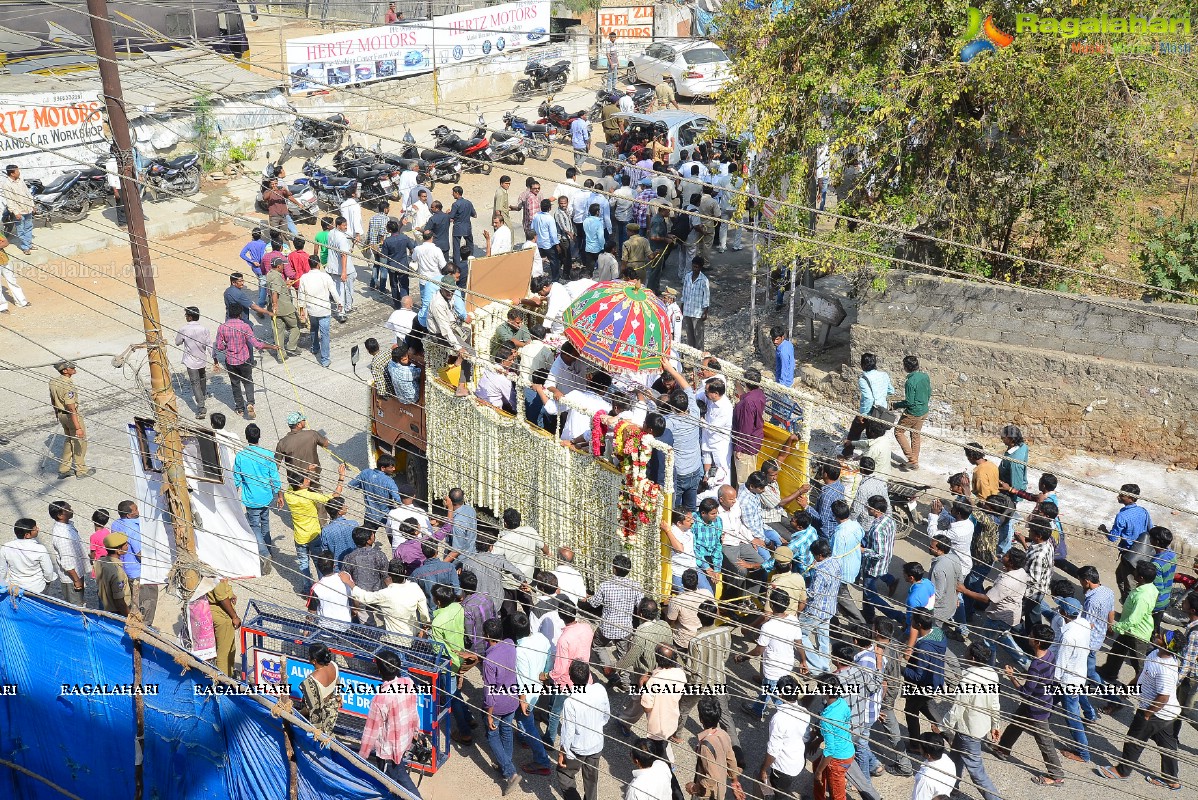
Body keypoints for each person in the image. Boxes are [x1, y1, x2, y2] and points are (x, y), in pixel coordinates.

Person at [994, 623, 1066, 785]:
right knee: (1016, 723)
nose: (1029, 637)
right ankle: (1003, 748)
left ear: (1038, 642)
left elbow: (1026, 692)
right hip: (1043, 700)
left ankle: (1056, 775)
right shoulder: (1049, 655)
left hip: (1036, 708)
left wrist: (1011, 676)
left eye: (1031, 636)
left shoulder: (1036, 665)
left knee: (1044, 741)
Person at [359, 649, 423, 798]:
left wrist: (362, 758)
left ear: (380, 671)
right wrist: (415, 732)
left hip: (389, 751)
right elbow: (414, 712)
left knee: (391, 784)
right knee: (400, 776)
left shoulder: (380, 698)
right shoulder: (408, 683)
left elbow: (370, 732)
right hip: (404, 743)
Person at [942, 641, 1002, 800]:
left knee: (977, 772)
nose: (964, 654)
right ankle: (952, 790)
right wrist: (995, 724)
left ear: (973, 658)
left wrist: (942, 726)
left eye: (967, 652)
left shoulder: (968, 679)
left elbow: (957, 708)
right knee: (954, 759)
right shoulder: (992, 674)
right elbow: (995, 703)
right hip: (981, 727)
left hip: (968, 731)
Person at [957, 547, 1030, 669]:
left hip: (999, 618)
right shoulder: (1020, 571)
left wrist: (964, 590)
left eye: (1006, 556)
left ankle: (988, 669)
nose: (1003, 556)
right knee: (1004, 639)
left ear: (1011, 563)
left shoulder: (1007, 581)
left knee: (988, 643)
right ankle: (1028, 664)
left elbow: (987, 599)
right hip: (1010, 615)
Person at [479, 617, 522, 795]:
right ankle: (505, 762)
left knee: (492, 734)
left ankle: (510, 772)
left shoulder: (489, 661)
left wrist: (489, 714)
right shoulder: (511, 644)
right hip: (512, 698)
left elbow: (489, 691)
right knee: (506, 730)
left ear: (487, 635)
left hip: (497, 704)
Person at [1099, 559, 1158, 685]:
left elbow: (1133, 620)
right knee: (1117, 651)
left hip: (1137, 634)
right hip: (1128, 629)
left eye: (1135, 572)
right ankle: (1109, 672)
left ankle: (1145, 686)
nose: (1133, 572)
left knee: (1138, 662)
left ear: (1141, 577)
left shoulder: (1143, 597)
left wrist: (1115, 627)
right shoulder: (1148, 587)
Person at [556, 659, 609, 800]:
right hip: (596, 744)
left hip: (578, 747)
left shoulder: (571, 701)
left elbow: (568, 731)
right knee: (591, 780)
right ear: (589, 674)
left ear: (571, 678)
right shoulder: (599, 689)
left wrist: (562, 752)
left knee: (564, 774)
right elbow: (606, 716)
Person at [284, 463, 347, 580]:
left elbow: (291, 484)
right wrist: (341, 478)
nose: (308, 480)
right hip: (314, 535)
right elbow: (334, 496)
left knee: (303, 564)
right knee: (320, 563)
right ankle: (323, 584)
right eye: (306, 480)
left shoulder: (288, 495)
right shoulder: (309, 496)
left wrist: (306, 471)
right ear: (300, 484)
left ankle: (307, 587)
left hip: (299, 537)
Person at [214, 306, 277, 419]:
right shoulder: (244, 326)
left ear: (228, 315)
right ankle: (250, 403)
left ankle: (240, 408)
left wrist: (227, 346)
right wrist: (272, 347)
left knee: (235, 384)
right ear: (240, 315)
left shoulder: (222, 327)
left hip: (231, 361)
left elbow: (219, 346)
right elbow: (256, 344)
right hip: (244, 359)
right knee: (248, 382)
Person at [1099, 483, 1154, 600]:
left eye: (1122, 495)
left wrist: (1104, 530)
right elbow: (1151, 529)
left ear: (1130, 498)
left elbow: (1113, 538)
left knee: (1129, 584)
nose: (1118, 496)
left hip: (1129, 555)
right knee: (1120, 577)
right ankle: (1125, 600)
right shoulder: (1143, 511)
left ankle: (1128, 607)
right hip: (1144, 553)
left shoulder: (1122, 516)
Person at [902, 610, 947, 743]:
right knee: (924, 705)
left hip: (922, 685)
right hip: (935, 679)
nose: (911, 622)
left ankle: (915, 744)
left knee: (910, 711)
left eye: (913, 620)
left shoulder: (923, 648)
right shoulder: (939, 633)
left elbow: (917, 676)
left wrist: (901, 669)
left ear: (919, 625)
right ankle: (947, 732)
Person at [688, 696, 742, 800]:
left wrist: (694, 787)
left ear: (700, 719)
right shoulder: (723, 734)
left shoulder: (705, 746)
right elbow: (731, 760)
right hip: (721, 789)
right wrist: (735, 781)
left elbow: (712, 778)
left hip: (707, 794)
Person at [48, 360, 93, 479]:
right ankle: (81, 470)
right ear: (65, 371)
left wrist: (57, 413)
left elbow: (53, 399)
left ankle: (64, 469)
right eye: (71, 368)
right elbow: (70, 406)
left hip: (61, 414)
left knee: (69, 440)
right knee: (79, 441)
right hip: (71, 415)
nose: (74, 368)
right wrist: (78, 427)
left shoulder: (53, 382)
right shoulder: (68, 385)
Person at [297, 256, 341, 368]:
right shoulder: (325, 276)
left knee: (313, 329)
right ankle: (325, 360)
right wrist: (339, 303)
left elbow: (301, 295)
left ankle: (315, 347)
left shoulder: (304, 278)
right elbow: (334, 292)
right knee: (325, 334)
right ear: (319, 264)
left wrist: (301, 309)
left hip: (312, 310)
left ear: (309, 265)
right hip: (325, 310)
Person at [892, 355, 931, 471]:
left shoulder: (910, 382)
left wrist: (896, 405)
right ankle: (915, 462)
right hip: (924, 411)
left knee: (898, 432)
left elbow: (909, 402)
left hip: (913, 412)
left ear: (906, 367)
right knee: (915, 435)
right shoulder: (925, 376)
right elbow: (929, 392)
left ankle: (912, 459)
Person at [274, 411, 331, 490]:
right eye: (303, 420)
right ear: (299, 424)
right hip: (313, 475)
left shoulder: (282, 443)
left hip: (295, 481)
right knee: (316, 497)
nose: (305, 421)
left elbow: (276, 464)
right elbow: (326, 444)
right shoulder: (312, 434)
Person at [174, 307, 213, 419]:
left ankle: (201, 408)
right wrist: (214, 358)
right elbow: (209, 344)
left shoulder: (184, 329)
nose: (185, 317)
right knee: (202, 378)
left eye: (186, 315)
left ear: (190, 317)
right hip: (202, 359)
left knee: (195, 383)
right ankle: (203, 395)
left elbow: (177, 342)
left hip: (190, 361)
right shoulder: (204, 329)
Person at [0, 518, 55, 593]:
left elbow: (2, 570)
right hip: (37, 588)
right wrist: (48, 580)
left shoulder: (6, 547)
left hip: (16, 588)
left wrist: (4, 585)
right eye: (35, 529)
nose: (38, 529)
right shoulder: (40, 549)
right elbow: (48, 571)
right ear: (27, 535)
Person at [297, 643, 341, 734]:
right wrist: (339, 695)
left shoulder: (311, 681)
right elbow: (338, 681)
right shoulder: (333, 665)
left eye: (309, 655)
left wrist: (298, 714)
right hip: (332, 710)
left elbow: (312, 709)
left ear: (314, 661)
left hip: (320, 721)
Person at [266, 252, 301, 357]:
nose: (283, 267)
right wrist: (275, 304)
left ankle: (281, 354)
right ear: (278, 266)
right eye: (282, 266)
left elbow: (275, 286)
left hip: (274, 309)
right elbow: (275, 292)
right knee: (296, 326)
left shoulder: (270, 274)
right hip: (284, 307)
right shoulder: (277, 277)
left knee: (278, 332)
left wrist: (284, 284)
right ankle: (291, 346)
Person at [207, 577, 241, 676]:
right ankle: (224, 680)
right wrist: (234, 616)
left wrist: (230, 594)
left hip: (210, 609)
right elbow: (221, 597)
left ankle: (225, 674)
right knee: (225, 652)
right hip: (221, 614)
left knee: (220, 647)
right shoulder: (214, 569)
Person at [378, 220, 415, 305]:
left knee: (394, 286)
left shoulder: (387, 241)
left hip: (392, 267)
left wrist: (377, 252)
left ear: (390, 230)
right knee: (404, 285)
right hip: (403, 265)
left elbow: (384, 255)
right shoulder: (404, 237)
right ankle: (405, 303)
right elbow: (412, 249)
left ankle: (397, 304)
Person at [94, 532, 131, 616]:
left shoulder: (100, 561)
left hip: (104, 605)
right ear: (118, 550)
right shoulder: (117, 572)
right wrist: (128, 617)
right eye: (125, 545)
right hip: (117, 611)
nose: (127, 546)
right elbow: (119, 601)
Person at [909, 733, 956, 800]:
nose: (919, 749)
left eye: (920, 748)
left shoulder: (925, 779)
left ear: (928, 755)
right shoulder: (948, 760)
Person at [1, 164, 36, 254]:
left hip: (27, 208)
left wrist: (32, 205)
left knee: (29, 227)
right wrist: (16, 212)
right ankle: (25, 247)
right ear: (12, 174)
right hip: (19, 211)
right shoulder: (7, 184)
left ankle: (29, 244)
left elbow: (27, 193)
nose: (19, 172)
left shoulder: (20, 181)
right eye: (17, 171)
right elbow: (10, 200)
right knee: (21, 230)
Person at [327, 215, 356, 318]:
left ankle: (344, 309)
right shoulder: (341, 237)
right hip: (340, 269)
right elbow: (343, 255)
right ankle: (342, 312)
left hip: (332, 267)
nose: (346, 227)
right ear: (338, 226)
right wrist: (344, 272)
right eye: (344, 225)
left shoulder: (331, 233)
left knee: (337, 291)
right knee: (342, 292)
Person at [680, 257, 710, 349]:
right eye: (693, 267)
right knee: (689, 334)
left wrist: (705, 312)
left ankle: (700, 355)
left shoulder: (704, 280)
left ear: (700, 268)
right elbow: (684, 292)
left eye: (697, 267)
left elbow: (706, 297)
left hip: (697, 313)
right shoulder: (687, 276)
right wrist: (682, 306)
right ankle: (691, 352)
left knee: (699, 335)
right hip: (687, 310)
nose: (695, 269)